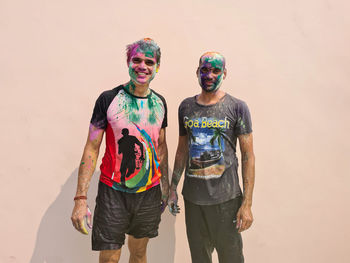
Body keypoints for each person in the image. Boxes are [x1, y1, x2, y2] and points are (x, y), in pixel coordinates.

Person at [71, 38, 169, 263]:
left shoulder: (161, 102)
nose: (142, 66)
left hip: (148, 193)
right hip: (112, 192)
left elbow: (160, 146)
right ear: (128, 61)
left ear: (157, 67)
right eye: (136, 60)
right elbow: (92, 148)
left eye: (149, 62)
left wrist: (166, 189)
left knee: (139, 253)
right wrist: (80, 198)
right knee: (110, 259)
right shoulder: (109, 99)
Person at [168, 52, 255, 263]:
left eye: (216, 70)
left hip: (227, 201)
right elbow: (182, 150)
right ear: (197, 72)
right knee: (199, 259)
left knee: (231, 259)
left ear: (224, 73)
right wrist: (172, 189)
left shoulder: (237, 107)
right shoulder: (186, 107)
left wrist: (247, 204)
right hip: (194, 200)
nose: (209, 75)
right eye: (205, 70)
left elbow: (248, 157)